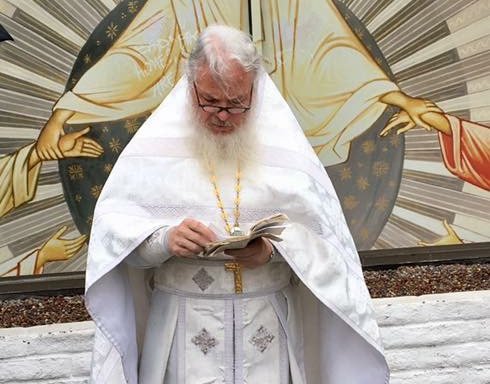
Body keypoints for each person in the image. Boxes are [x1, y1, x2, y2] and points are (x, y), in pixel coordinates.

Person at [86, 26, 389, 383]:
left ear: (256, 89)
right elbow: (114, 247)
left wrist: (273, 250)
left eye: (236, 104)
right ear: (190, 85)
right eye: (210, 101)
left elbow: (328, 246)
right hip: (181, 328)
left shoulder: (287, 152)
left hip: (266, 329)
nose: (223, 115)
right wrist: (164, 241)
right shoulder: (153, 152)